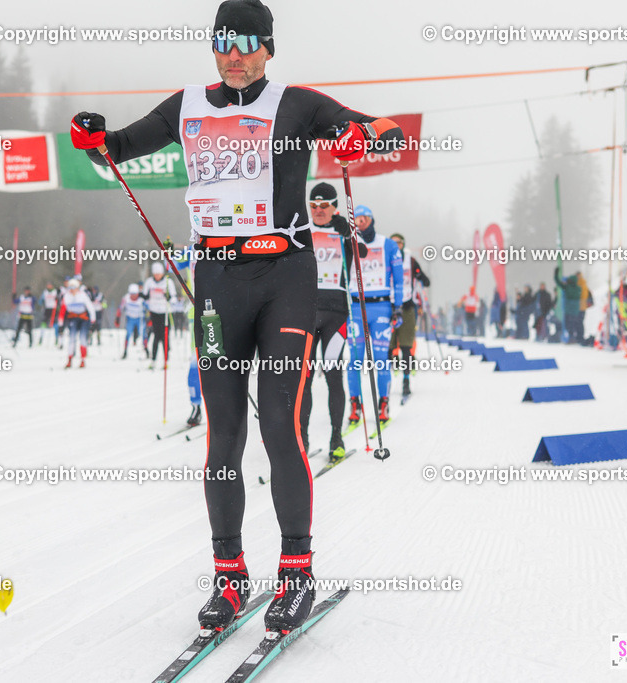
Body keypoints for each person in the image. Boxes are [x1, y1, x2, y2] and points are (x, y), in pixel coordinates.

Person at [70, 0, 405, 635]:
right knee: (223, 434)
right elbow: (112, 151)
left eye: (247, 43)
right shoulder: (186, 106)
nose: (234, 54)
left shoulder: (296, 104)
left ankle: (297, 573)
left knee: (280, 423)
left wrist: (362, 136)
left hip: (285, 278)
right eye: (223, 42)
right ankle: (229, 577)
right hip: (219, 279)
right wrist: (90, 137)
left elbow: (382, 128)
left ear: (268, 49)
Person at [298, 182, 352, 461]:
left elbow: (363, 254)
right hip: (305, 311)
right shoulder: (302, 230)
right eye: (313, 206)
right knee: (304, 379)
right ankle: (302, 438)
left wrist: (349, 234)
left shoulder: (343, 231)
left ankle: (336, 437)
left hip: (336, 314)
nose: (318, 210)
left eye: (324, 206)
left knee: (333, 375)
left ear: (335, 207)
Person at [345, 205, 403, 428]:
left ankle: (383, 404)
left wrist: (398, 307)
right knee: (355, 360)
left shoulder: (387, 245)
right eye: (357, 220)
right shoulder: (349, 243)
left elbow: (398, 279)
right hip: (356, 308)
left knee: (381, 359)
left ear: (372, 221)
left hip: (381, 308)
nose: (361, 224)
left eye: (365, 220)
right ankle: (355, 405)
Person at [390, 233, 430, 399]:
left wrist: (420, 276)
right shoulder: (385, 258)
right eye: (393, 243)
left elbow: (426, 281)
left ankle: (406, 381)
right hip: (388, 307)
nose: (396, 245)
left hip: (407, 307)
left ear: (403, 244)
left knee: (406, 346)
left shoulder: (411, 261)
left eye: (399, 243)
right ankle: (389, 376)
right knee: (388, 346)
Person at [142, 262, 176, 370]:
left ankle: (166, 361)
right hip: (154, 312)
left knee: (165, 337)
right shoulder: (149, 282)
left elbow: (174, 298)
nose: (157, 276)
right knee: (156, 337)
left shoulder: (168, 282)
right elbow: (145, 296)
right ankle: (153, 361)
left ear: (162, 273)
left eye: (159, 274)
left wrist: (169, 298)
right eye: (155, 274)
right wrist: (144, 297)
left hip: (165, 312)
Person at [58, 276, 95, 368]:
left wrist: (93, 319)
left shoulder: (82, 295)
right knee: (72, 338)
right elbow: (63, 309)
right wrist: (60, 322)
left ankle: (83, 360)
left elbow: (90, 307)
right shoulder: (67, 296)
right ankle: (70, 359)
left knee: (82, 338)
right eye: (70, 288)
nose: (72, 290)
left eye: (73, 288)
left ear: (77, 288)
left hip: (83, 319)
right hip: (73, 318)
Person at [554, 267, 583, 343]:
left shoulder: (567, 287)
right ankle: (573, 338)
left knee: (568, 325)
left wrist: (556, 275)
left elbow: (558, 283)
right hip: (575, 310)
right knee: (573, 324)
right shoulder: (578, 288)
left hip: (568, 310)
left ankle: (571, 338)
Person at [119, 283, 146, 359]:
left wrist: (148, 318)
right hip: (130, 319)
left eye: (135, 294)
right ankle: (125, 352)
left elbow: (147, 308)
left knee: (143, 334)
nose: (133, 296)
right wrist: (117, 318)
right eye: (132, 294)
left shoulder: (141, 299)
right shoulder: (126, 298)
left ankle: (146, 349)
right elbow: (120, 308)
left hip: (139, 319)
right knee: (128, 334)